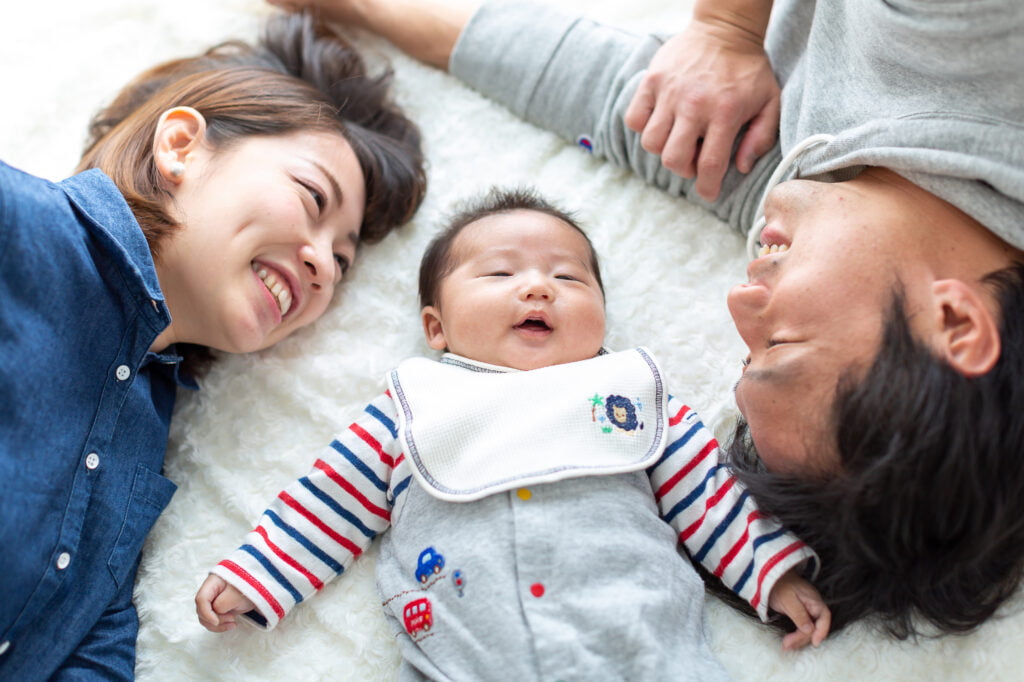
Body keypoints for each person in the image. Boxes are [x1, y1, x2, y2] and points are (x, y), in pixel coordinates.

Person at [266, 0, 1024, 638]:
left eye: (744, 352)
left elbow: (615, 100)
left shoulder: (823, 200)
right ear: (955, 321)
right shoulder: (975, 46)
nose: (739, 299)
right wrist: (728, 26)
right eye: (780, 340)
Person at [194, 188, 831, 679]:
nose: (536, 286)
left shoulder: (630, 392)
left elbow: (709, 493)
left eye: (569, 278)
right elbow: (326, 502)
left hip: (642, 644)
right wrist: (259, 573)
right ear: (436, 328)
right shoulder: (413, 405)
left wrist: (769, 571)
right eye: (499, 275)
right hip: (466, 656)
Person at [0, 12, 426, 680]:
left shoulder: (142, 435)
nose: (322, 267)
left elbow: (88, 639)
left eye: (342, 264)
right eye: (312, 197)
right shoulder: (16, 224)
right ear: (180, 147)